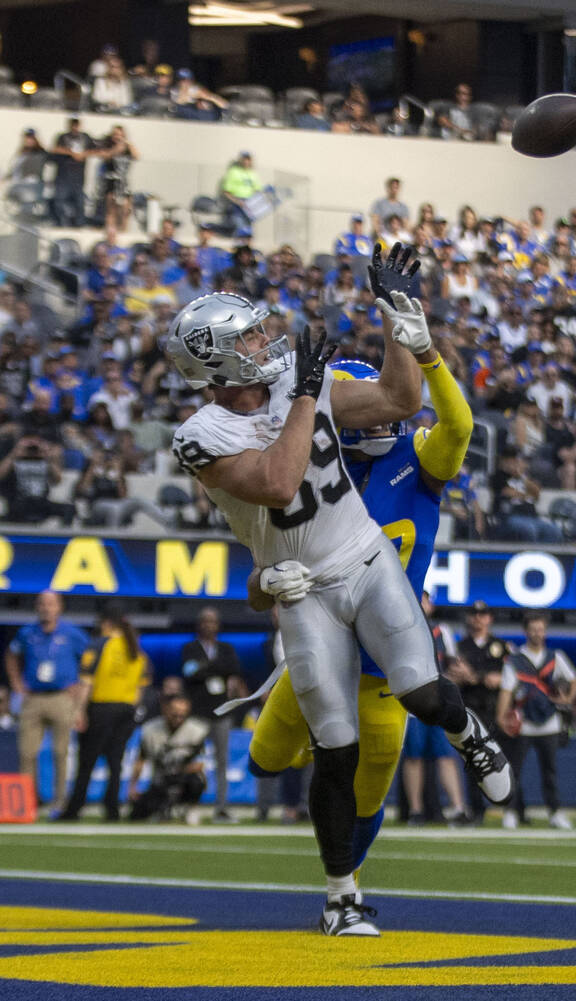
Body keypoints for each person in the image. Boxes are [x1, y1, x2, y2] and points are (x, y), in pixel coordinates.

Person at [166, 244, 510, 936]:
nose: (267, 340)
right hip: (304, 588)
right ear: (215, 362)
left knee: (418, 687)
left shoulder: (302, 378)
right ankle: (341, 896)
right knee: (336, 747)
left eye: (261, 330)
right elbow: (277, 480)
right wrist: (304, 396)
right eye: (249, 338)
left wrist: (396, 320)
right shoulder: (201, 433)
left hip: (364, 555)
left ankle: (469, 731)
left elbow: (399, 399)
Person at [57, 603, 149, 822]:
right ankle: (112, 810)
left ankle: (74, 809)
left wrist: (79, 711)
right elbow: (141, 687)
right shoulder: (135, 648)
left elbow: (86, 682)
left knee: (87, 761)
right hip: (126, 709)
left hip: (101, 708)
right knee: (115, 763)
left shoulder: (99, 644)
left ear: (105, 622)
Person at [495, 612, 576, 831]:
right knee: (514, 772)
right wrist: (501, 717)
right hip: (523, 723)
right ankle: (511, 812)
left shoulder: (555, 656)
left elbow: (574, 679)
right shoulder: (514, 660)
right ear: (526, 631)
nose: (537, 633)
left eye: (540, 629)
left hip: (549, 722)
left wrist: (568, 699)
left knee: (550, 772)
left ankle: (555, 812)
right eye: (533, 629)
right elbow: (506, 691)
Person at [5, 590, 90, 811]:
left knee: (60, 752)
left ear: (59, 607)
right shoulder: (27, 633)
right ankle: (27, 802)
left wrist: (80, 686)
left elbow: (90, 659)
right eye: (42, 604)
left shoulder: (72, 633)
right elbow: (11, 655)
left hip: (62, 697)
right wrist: (17, 683)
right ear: (36, 607)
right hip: (33, 697)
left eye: (51, 604)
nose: (46, 608)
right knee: (27, 752)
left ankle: (60, 801)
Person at [400, 592, 469, 826]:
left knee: (445, 756)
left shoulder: (442, 631)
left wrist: (452, 681)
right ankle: (416, 810)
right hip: (410, 704)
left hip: (437, 702)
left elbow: (455, 664)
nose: (421, 603)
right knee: (413, 757)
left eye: (424, 599)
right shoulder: (401, 629)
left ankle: (458, 808)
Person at [179, 606, 244, 822]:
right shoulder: (190, 647)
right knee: (189, 758)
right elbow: (189, 673)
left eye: (212, 621)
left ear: (218, 625)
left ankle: (221, 807)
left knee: (222, 761)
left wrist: (205, 667)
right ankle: (187, 805)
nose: (209, 625)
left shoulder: (226, 648)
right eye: (205, 621)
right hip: (197, 712)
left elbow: (233, 667)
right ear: (199, 625)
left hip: (221, 711)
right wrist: (216, 668)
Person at [453, 600, 510, 823]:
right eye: (475, 615)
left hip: (495, 710)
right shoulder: (461, 646)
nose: (478, 619)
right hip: (470, 709)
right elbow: (455, 675)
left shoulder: (500, 646)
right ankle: (476, 811)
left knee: (501, 761)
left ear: (489, 618)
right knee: (473, 762)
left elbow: (502, 679)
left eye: (483, 615)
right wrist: (479, 678)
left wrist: (475, 676)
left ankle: (510, 809)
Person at [127, 694, 209, 823]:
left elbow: (200, 764)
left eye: (182, 714)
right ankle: (162, 810)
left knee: (196, 782)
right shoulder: (151, 729)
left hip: (185, 779)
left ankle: (190, 808)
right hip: (161, 780)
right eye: (175, 713)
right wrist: (132, 786)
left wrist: (178, 770)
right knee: (136, 815)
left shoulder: (196, 730)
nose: (178, 718)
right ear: (165, 710)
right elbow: (141, 759)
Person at [49, 118, 95, 226]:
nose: (74, 127)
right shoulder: (62, 137)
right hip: (63, 177)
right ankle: (61, 222)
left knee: (80, 202)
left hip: (78, 178)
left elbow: (95, 150)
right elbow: (55, 149)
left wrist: (83, 154)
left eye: (76, 125)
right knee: (59, 201)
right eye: (72, 124)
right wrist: (72, 153)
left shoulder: (85, 137)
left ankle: (79, 224)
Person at [219, 151, 264, 235]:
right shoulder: (233, 172)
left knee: (248, 229)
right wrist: (238, 202)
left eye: (248, 159)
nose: (246, 162)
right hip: (237, 205)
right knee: (239, 227)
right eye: (244, 159)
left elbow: (257, 190)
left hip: (250, 205)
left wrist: (255, 202)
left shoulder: (252, 173)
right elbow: (226, 191)